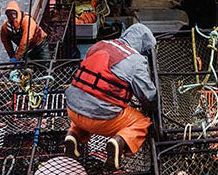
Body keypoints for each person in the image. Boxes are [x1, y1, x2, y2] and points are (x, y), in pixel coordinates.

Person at [63, 24, 156, 170]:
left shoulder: (100, 45)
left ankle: (73, 136)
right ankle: (119, 142)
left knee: (86, 106)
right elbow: (148, 96)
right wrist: (153, 107)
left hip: (73, 111)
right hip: (102, 120)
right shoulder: (136, 60)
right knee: (141, 122)